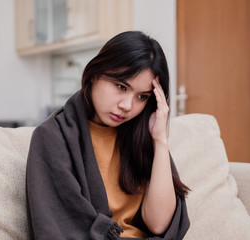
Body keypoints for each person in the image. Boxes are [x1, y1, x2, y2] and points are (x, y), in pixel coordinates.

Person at [26, 31, 190, 240]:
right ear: (94, 73)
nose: (127, 106)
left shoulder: (142, 136)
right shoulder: (52, 137)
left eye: (142, 96)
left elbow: (159, 225)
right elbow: (59, 228)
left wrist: (159, 140)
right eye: (121, 86)